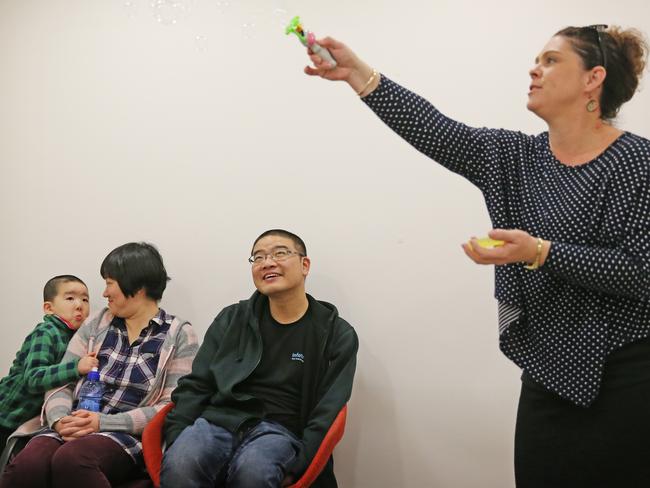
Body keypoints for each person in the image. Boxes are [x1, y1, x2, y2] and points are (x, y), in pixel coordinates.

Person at [304, 26, 649, 487]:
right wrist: (356, 74)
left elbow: (638, 271)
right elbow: (433, 129)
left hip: (627, 378)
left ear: (593, 78)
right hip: (548, 378)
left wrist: (540, 251)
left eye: (551, 60)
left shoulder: (634, 161)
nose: (534, 68)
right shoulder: (515, 158)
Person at [161, 229, 358, 488]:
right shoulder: (232, 319)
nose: (267, 262)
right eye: (258, 257)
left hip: (282, 431)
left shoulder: (335, 333)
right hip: (218, 422)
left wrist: (302, 464)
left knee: (253, 472)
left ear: (304, 265)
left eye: (280, 253)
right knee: (181, 464)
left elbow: (328, 411)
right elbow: (198, 384)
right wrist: (177, 436)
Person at [0, 242, 199, 488]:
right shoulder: (97, 322)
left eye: (109, 283)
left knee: (74, 460)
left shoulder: (179, 334)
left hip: (123, 434)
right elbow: (61, 381)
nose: (104, 294)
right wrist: (60, 419)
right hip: (71, 424)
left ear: (135, 287)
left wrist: (102, 423)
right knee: (28, 464)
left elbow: (170, 406)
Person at [0, 275, 96, 450]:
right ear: (49, 308)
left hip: (29, 420)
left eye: (85, 299)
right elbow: (34, 378)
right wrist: (76, 367)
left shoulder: (78, 338)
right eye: (70, 298)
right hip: (8, 415)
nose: (79, 305)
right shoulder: (46, 333)